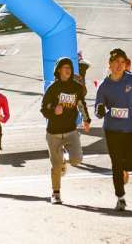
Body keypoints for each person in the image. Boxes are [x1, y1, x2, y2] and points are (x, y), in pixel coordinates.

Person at [95, 48, 132, 212]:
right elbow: (98, 108)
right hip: (112, 130)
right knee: (116, 164)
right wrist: (100, 110)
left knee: (130, 164)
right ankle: (120, 197)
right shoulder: (104, 86)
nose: (119, 65)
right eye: (116, 62)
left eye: (122, 62)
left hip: (130, 128)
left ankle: (126, 170)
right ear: (109, 65)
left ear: (126, 64)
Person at [41, 57, 91, 204]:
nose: (68, 70)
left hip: (70, 131)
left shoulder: (76, 87)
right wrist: (53, 110)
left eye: (69, 67)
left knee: (77, 160)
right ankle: (55, 193)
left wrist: (86, 119)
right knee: (56, 166)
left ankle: (65, 160)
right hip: (53, 133)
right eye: (64, 67)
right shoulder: (52, 88)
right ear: (58, 70)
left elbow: (81, 104)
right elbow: (44, 109)